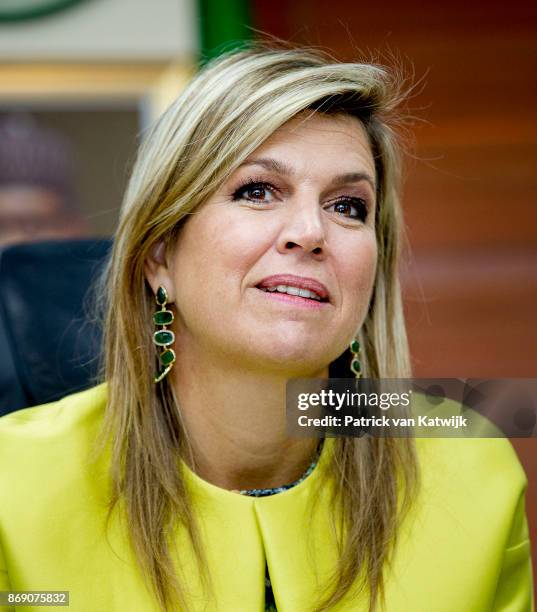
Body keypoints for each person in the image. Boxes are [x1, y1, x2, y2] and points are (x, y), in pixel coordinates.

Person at [0, 44, 533, 612]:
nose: (311, 230)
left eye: (349, 206)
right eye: (256, 190)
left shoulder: (468, 463)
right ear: (158, 255)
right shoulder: (13, 487)